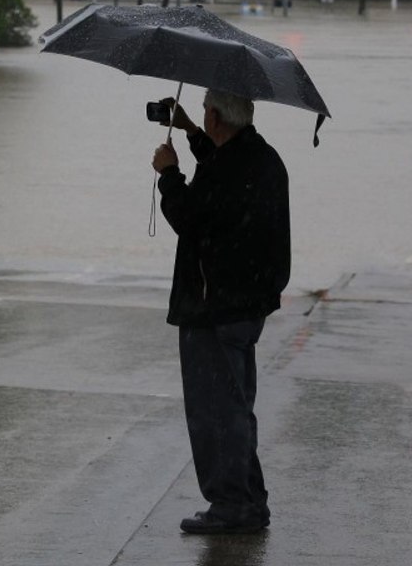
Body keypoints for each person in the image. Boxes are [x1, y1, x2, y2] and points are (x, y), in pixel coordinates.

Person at [151, 89, 290, 535]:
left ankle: (232, 504)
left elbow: (189, 216)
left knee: (216, 411)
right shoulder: (261, 157)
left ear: (216, 116)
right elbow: (222, 173)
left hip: (214, 308)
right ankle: (249, 500)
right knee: (235, 406)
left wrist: (169, 175)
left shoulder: (228, 171)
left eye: (206, 113)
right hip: (245, 305)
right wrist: (192, 132)